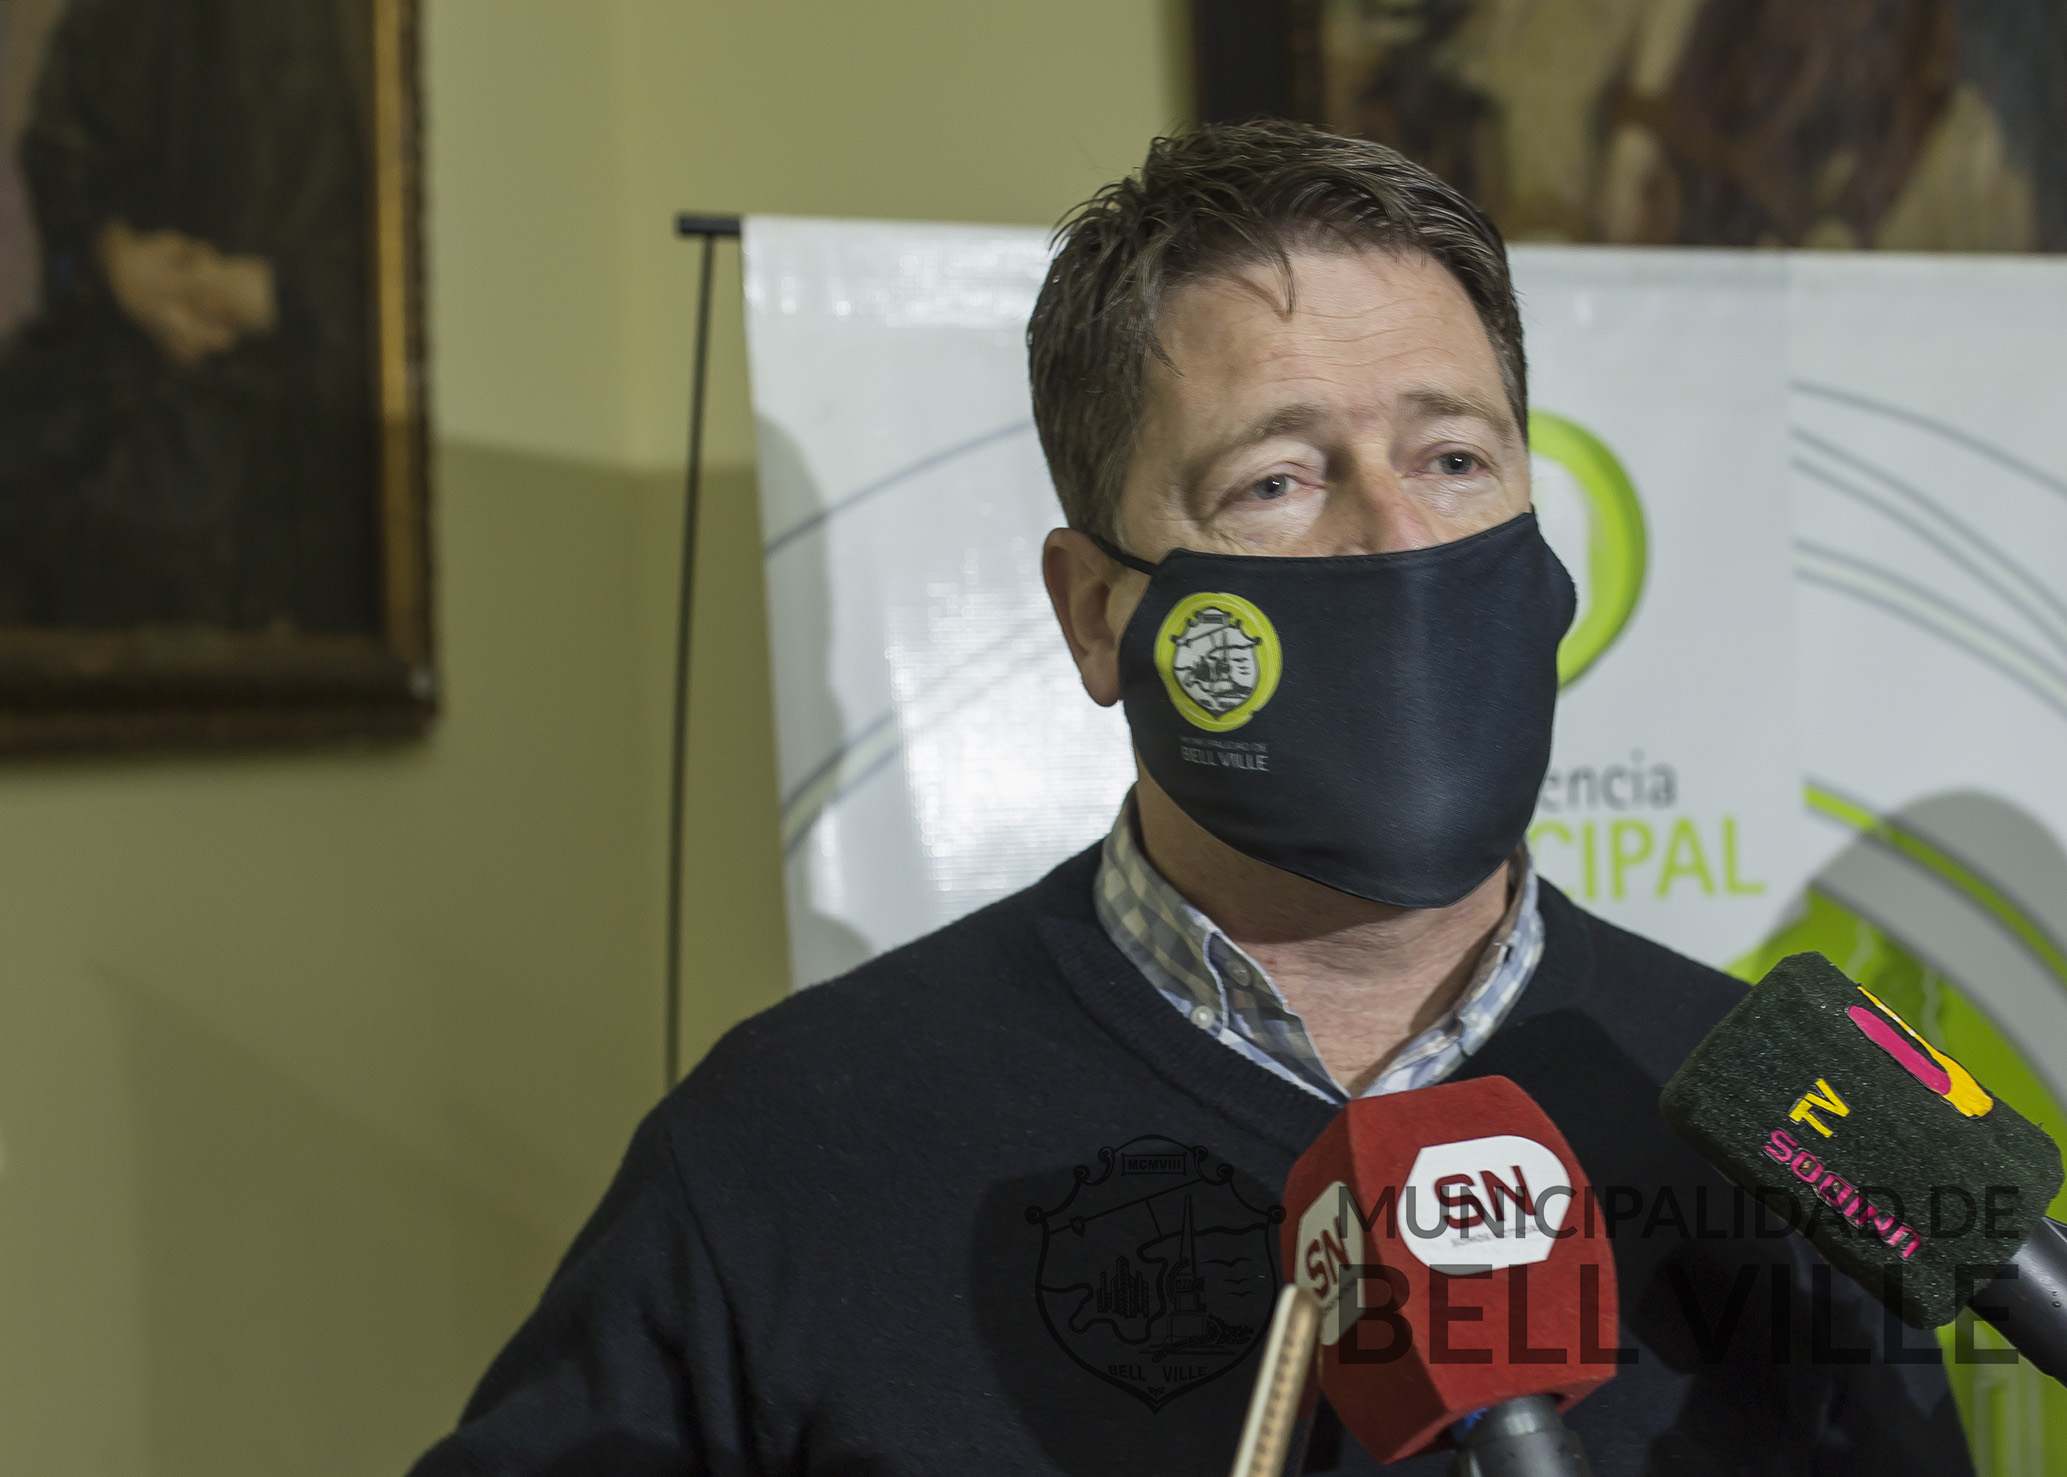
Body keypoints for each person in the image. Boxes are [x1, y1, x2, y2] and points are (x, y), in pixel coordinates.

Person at [408, 123, 1973, 1475]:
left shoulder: (1789, 1138)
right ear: (1098, 613)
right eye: (1275, 482)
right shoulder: (790, 1141)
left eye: (1452, 458)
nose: (1393, 538)